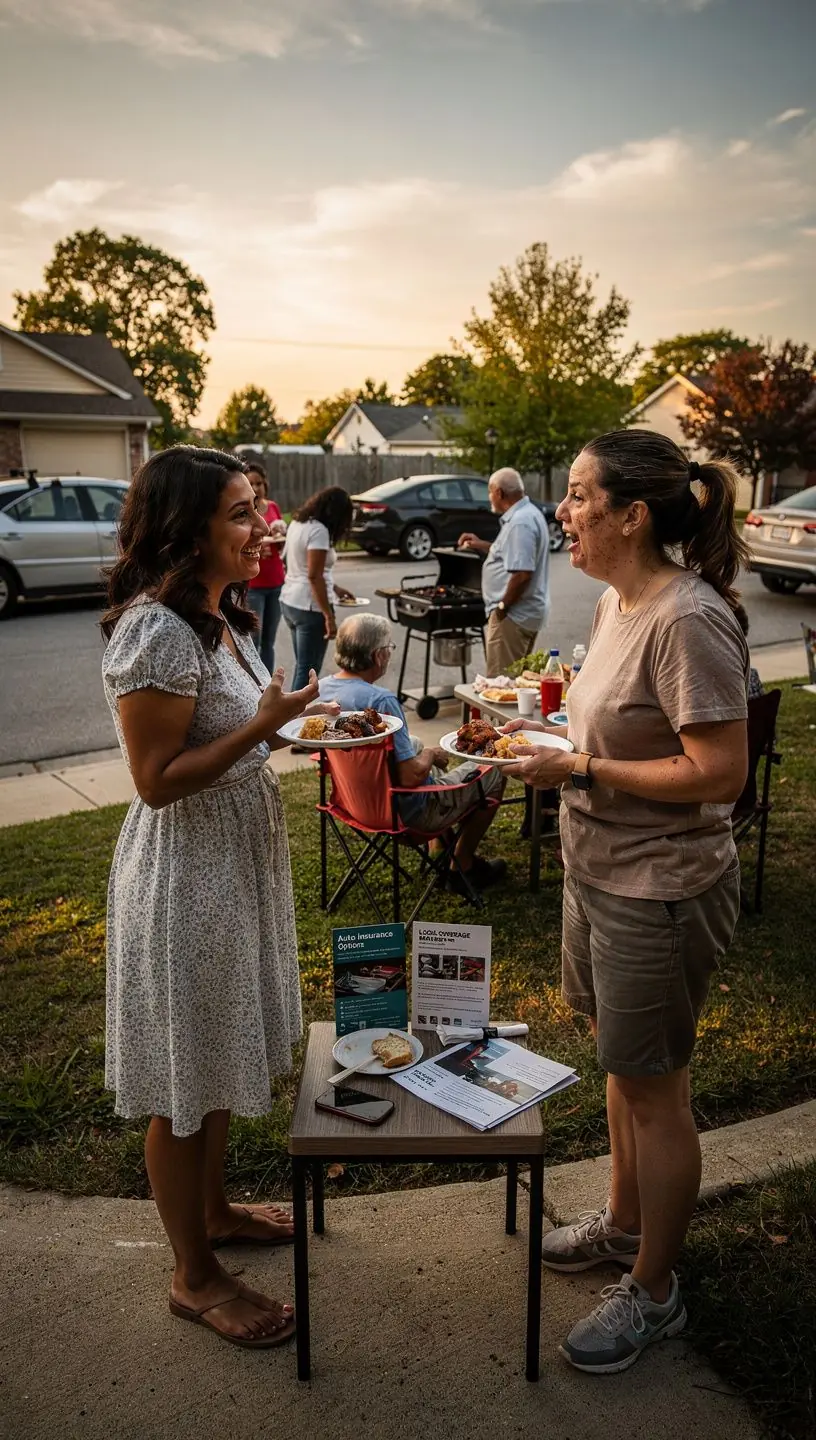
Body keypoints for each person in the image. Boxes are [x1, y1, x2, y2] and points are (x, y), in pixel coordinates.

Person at [502, 430, 749, 1375]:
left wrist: (585, 766)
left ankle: (655, 1291)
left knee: (656, 1090)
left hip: (660, 890)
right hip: (596, 869)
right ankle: (622, 1224)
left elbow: (717, 771)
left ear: (630, 514)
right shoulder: (615, 603)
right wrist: (544, 739)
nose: (562, 513)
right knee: (620, 1064)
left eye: (575, 496)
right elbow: (605, 723)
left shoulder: (686, 617)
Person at [100, 446, 338, 1351]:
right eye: (240, 513)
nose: (262, 526)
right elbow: (156, 780)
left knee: (218, 1045)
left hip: (230, 869)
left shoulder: (215, 616)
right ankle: (193, 1275)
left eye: (258, 508)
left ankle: (218, 1211)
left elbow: (232, 734)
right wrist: (264, 729)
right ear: (186, 526)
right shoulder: (156, 631)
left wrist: (289, 730)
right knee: (181, 1083)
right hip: (186, 878)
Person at [319, 612, 506, 893]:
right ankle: (462, 865)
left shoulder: (323, 690)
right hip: (407, 814)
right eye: (389, 649)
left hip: (355, 802)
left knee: (413, 743)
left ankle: (440, 848)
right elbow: (409, 777)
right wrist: (431, 755)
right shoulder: (380, 701)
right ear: (379, 655)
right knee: (496, 770)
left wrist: (424, 753)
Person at [458, 468, 549, 677]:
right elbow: (513, 553)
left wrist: (502, 607)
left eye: (490, 492)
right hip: (521, 614)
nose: (489, 497)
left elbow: (522, 574)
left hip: (513, 616)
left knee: (501, 684)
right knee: (517, 681)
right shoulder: (526, 514)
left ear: (499, 493)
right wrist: (480, 544)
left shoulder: (520, 522)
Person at [281, 485, 356, 688]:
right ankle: (294, 718)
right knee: (308, 672)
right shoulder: (319, 531)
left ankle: (293, 714)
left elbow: (297, 565)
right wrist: (328, 616)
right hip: (309, 608)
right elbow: (314, 576)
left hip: (290, 601)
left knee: (302, 666)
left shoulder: (298, 523)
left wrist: (335, 588)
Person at [245, 460, 285, 674]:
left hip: (276, 581)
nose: (256, 488)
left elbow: (280, 541)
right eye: (250, 483)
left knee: (269, 641)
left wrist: (280, 539)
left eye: (259, 483)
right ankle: (254, 685)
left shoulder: (273, 507)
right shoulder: (244, 512)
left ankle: (269, 684)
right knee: (253, 640)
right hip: (254, 585)